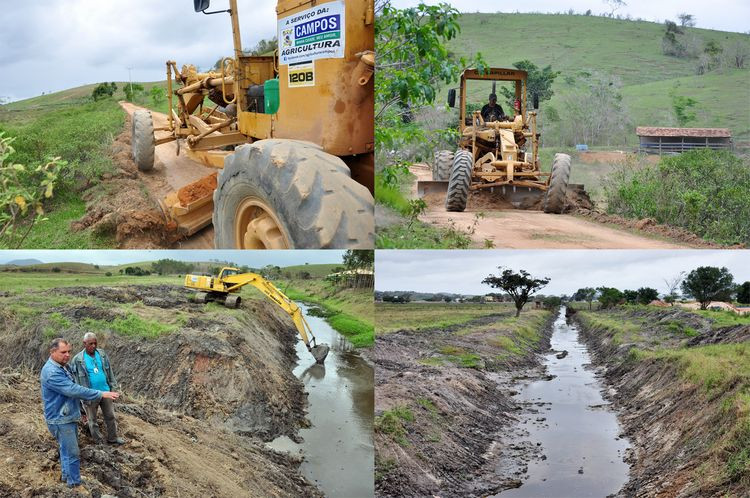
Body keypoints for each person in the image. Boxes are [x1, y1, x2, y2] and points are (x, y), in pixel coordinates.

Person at [40, 338, 120, 488]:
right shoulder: (52, 372)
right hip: (60, 419)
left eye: (69, 352)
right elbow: (73, 389)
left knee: (66, 450)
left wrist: (80, 410)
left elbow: (72, 392)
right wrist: (100, 394)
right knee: (73, 453)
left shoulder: (62, 366)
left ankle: (67, 478)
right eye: (63, 352)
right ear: (52, 352)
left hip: (66, 415)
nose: (67, 355)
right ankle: (75, 484)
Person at [71, 332, 125, 445]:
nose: (94, 346)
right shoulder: (77, 360)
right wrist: (80, 399)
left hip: (106, 392)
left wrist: (113, 387)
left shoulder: (102, 355)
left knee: (110, 416)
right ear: (84, 344)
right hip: (90, 395)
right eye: (90, 344)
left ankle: (113, 438)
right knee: (92, 420)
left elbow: (109, 372)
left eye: (95, 343)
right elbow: (75, 380)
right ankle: (98, 441)